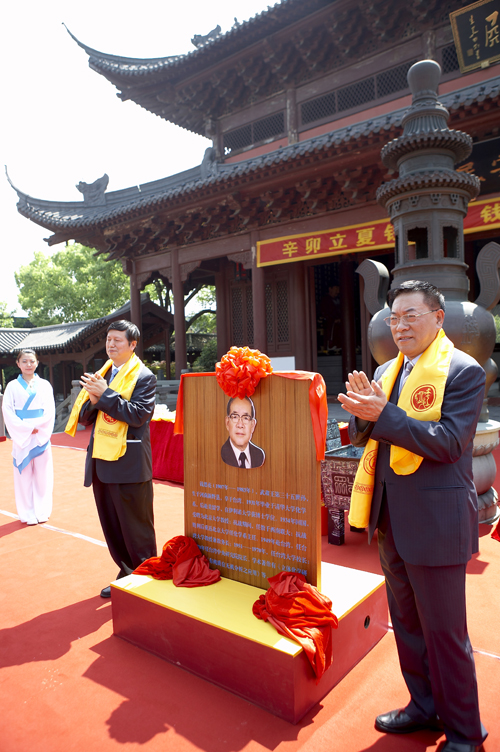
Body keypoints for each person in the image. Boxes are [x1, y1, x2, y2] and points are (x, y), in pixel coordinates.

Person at [338, 280, 487, 752]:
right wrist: (363, 415)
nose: (399, 326)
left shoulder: (463, 371)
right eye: (393, 318)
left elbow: (448, 442)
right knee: (407, 624)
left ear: (438, 318)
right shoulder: (387, 369)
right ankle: (423, 706)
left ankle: (464, 731)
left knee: (445, 633)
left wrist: (381, 413)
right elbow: (374, 434)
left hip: (436, 521)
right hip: (390, 517)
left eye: (411, 316)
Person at [65, 320, 157, 598]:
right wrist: (94, 398)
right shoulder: (102, 374)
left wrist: (104, 393)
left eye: (118, 340)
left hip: (128, 465)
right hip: (102, 463)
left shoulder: (144, 376)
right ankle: (126, 571)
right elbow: (83, 417)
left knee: (136, 528)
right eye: (109, 339)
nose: (111, 344)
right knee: (113, 525)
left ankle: (147, 579)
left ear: (132, 345)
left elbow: (139, 414)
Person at [2, 349, 55, 525]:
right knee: (23, 476)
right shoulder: (12, 386)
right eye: (24, 361)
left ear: (37, 363)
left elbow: (50, 411)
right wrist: (25, 428)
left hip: (40, 435)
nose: (28, 364)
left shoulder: (45, 385)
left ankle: (42, 511)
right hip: (22, 436)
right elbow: (7, 411)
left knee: (43, 476)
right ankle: (26, 513)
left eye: (32, 361)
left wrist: (37, 428)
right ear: (18, 364)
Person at [221, 396, 265, 469]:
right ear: (227, 423)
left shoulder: (259, 456)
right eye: (235, 417)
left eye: (245, 418)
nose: (240, 425)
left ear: (252, 425)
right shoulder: (221, 454)